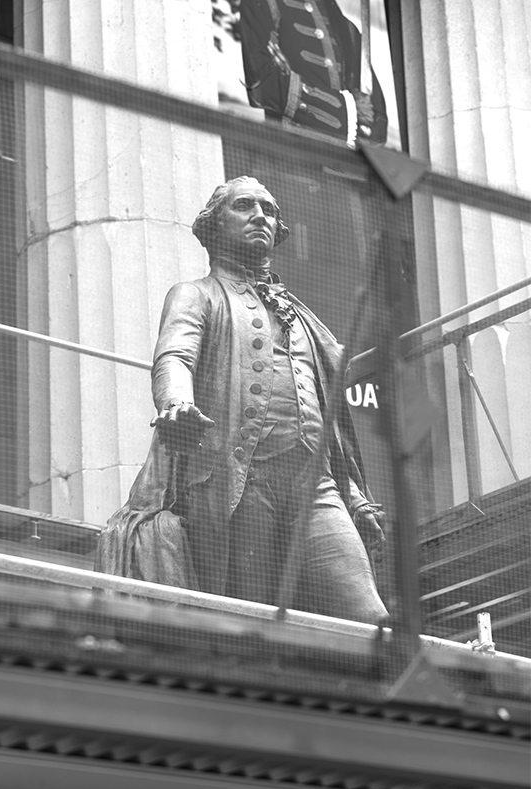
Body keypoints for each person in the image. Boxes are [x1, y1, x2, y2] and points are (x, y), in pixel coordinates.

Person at [96, 177, 389, 625]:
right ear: (214, 225)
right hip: (241, 478)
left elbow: (326, 415)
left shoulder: (302, 317)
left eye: (269, 210)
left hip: (316, 483)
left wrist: (353, 494)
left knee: (368, 615)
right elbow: (175, 357)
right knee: (252, 618)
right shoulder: (197, 294)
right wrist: (175, 403)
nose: (260, 216)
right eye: (245, 206)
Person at [240, 0, 387, 145]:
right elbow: (263, 83)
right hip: (290, 151)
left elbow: (377, 121)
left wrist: (289, 79)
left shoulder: (347, 30)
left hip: (343, 158)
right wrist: (348, 112)